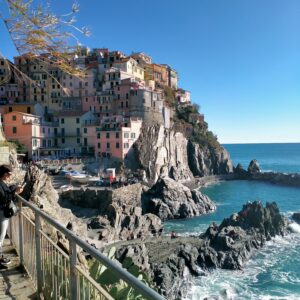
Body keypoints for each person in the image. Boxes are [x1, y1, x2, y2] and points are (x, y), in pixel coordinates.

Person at [0, 165, 23, 270]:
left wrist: (12, 189)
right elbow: (4, 199)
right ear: (5, 174)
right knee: (0, 237)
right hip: (1, 214)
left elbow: (5, 193)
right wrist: (15, 192)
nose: (10, 176)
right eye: (9, 174)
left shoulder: (1, 183)